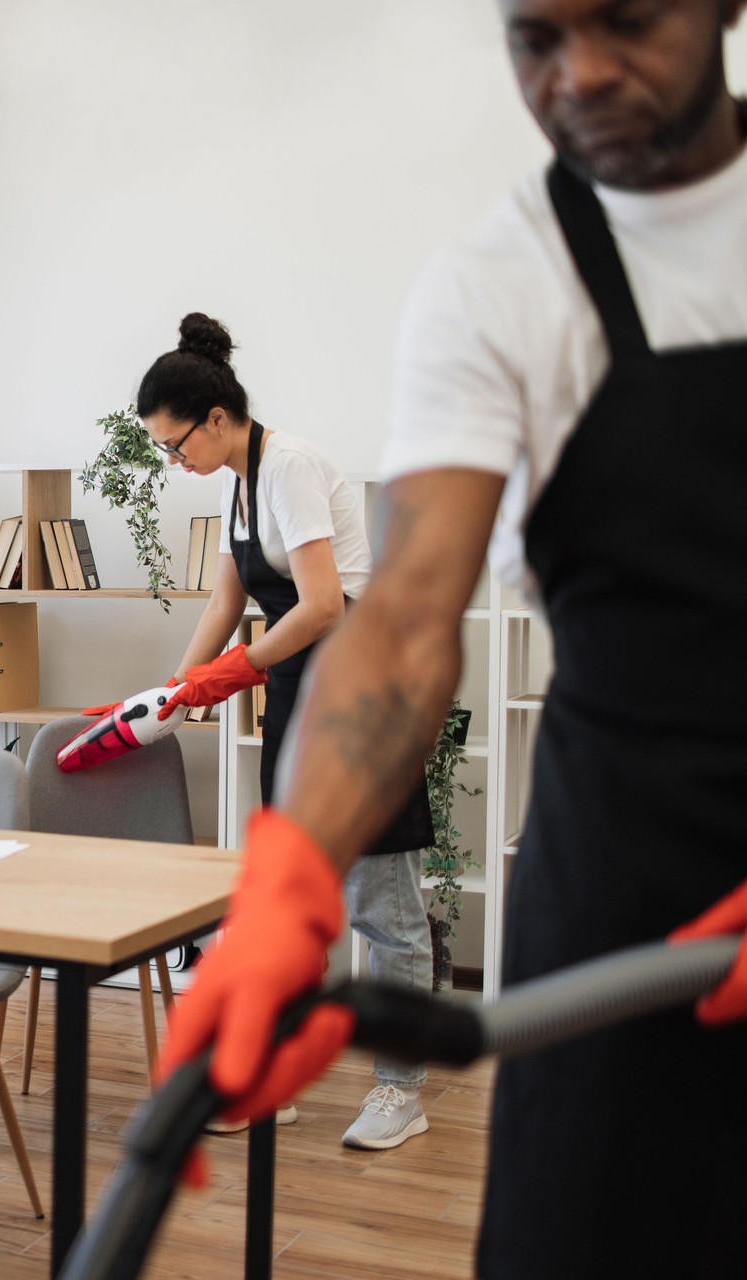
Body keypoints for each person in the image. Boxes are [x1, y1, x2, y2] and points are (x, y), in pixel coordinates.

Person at [155, 2, 747, 1272]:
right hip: (614, 870)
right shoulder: (499, 285)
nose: (582, 72)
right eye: (536, 37)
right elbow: (410, 614)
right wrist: (288, 873)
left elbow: (328, 602)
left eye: (627, 20)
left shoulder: (290, 461)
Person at [110, 314, 439, 1149]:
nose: (172, 461)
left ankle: (402, 1089)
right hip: (299, 689)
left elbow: (325, 606)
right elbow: (228, 600)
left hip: (362, 692)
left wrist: (232, 673)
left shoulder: (289, 465)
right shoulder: (237, 480)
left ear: (216, 418)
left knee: (382, 901)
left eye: (174, 444)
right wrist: (177, 687)